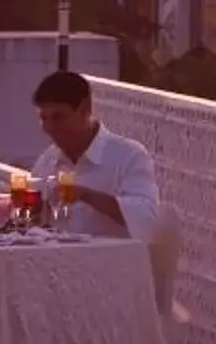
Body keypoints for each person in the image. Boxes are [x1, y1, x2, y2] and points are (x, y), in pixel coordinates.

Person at [28, 69, 160, 243]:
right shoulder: (48, 160)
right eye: (44, 119)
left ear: (85, 109)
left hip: (112, 267)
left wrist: (86, 195)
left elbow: (147, 219)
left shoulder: (129, 156)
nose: (49, 127)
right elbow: (34, 225)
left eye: (58, 117)